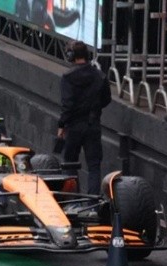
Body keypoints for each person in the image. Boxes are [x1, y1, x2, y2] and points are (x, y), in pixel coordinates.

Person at [57, 40, 111, 196]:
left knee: (70, 165)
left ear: (70, 56)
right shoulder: (100, 76)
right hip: (93, 125)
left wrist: (62, 125)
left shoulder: (68, 77)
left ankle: (72, 199)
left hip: (73, 126)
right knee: (94, 165)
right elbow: (106, 99)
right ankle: (93, 203)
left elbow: (67, 105)